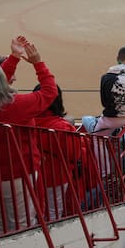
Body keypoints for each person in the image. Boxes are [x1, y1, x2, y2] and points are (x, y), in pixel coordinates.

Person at [0, 36, 57, 234]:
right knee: (22, 223)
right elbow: (50, 92)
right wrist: (38, 63)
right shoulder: (15, 106)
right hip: (17, 175)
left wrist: (14, 57)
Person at [34, 85, 85, 221]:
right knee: (53, 212)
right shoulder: (63, 127)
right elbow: (75, 154)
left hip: (31, 176)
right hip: (56, 176)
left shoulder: (27, 122)